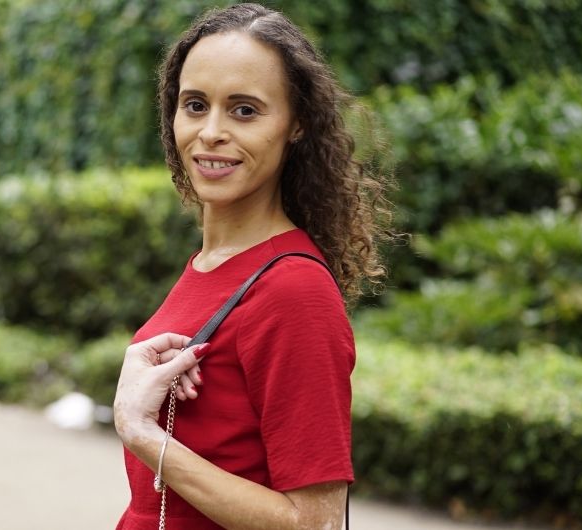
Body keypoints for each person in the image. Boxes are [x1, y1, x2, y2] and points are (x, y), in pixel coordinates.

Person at [112, 4, 392, 529]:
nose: (211, 131)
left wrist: (142, 433)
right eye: (195, 105)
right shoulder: (208, 265)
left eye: (245, 110)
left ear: (296, 125)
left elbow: (316, 522)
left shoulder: (293, 289)